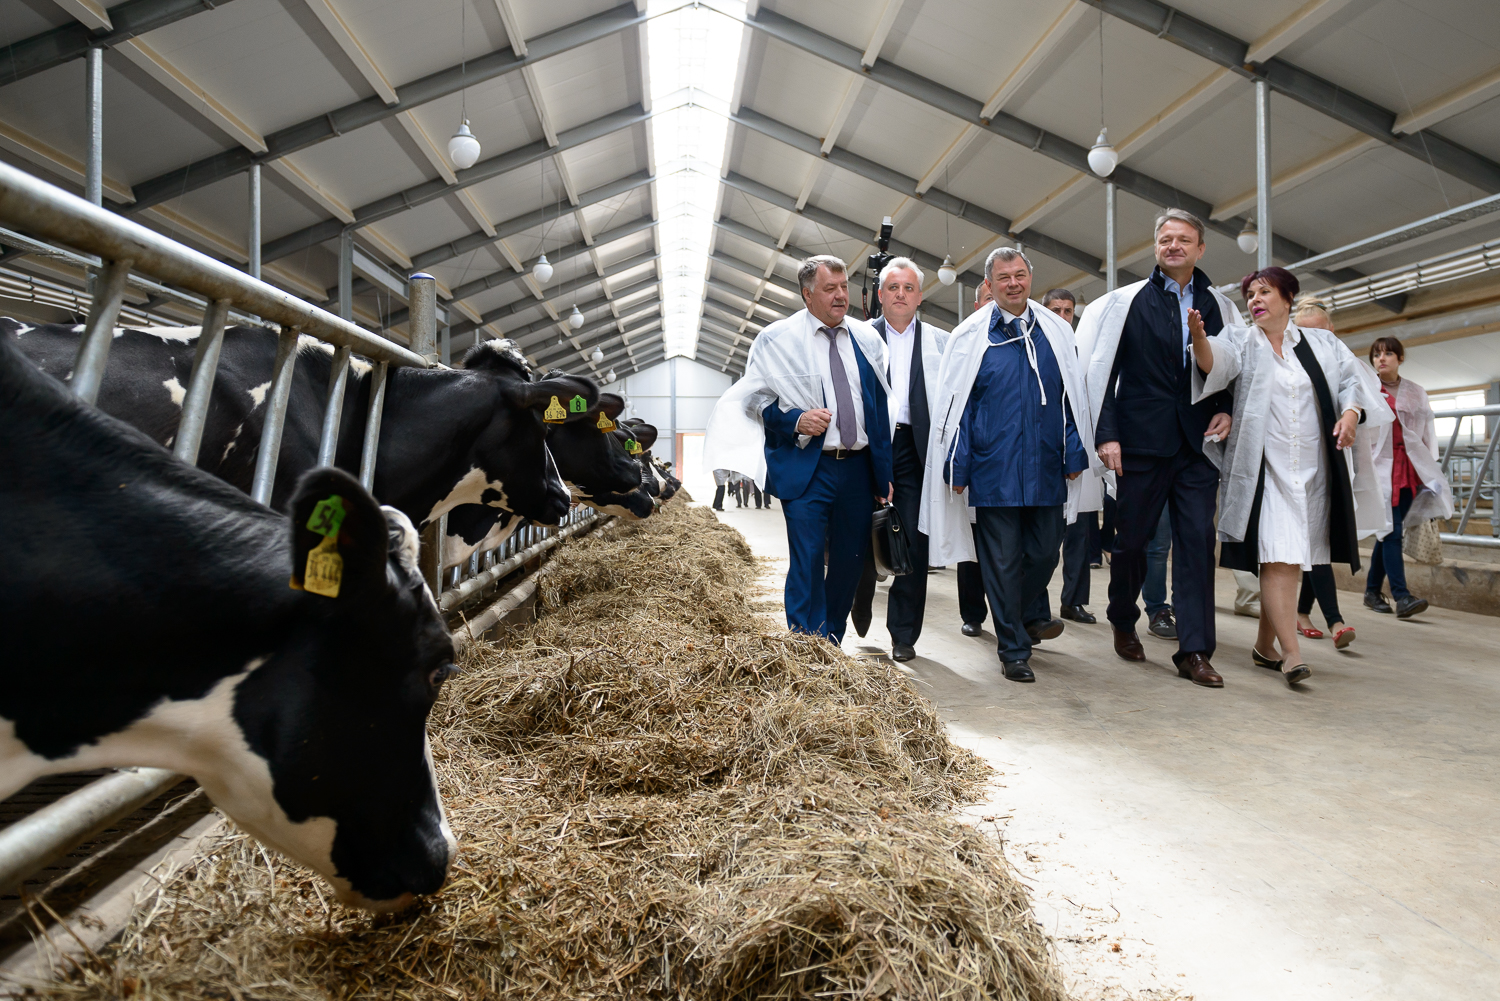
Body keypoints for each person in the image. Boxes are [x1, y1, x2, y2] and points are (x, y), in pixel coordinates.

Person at [1190, 267, 1389, 686]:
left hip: (1313, 469)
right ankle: (1291, 654)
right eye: (1250, 294)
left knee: (1293, 557)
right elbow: (1216, 365)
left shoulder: (1321, 342)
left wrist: (1351, 413)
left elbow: (1356, 382)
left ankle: (1265, 645)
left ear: (1287, 297)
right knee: (1278, 558)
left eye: (1265, 291)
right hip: (1266, 469)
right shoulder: (1243, 342)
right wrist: (1200, 339)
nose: (1255, 299)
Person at [1078, 209, 1242, 688]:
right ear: (1155, 247)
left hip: (1196, 445)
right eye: (1166, 239)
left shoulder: (1219, 305)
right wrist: (1106, 434)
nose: (1174, 246)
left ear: (1201, 248)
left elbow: (1233, 366)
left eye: (1184, 239)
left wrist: (1228, 408)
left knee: (1196, 544)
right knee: (1131, 541)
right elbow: (1104, 373)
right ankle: (1123, 617)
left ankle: (1194, 650)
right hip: (1140, 442)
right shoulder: (1127, 303)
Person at [919, 248, 1097, 683]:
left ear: (1030, 278)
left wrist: (1075, 452)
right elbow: (955, 408)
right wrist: (957, 467)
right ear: (990, 285)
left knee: (1044, 551)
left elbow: (1070, 399)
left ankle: (1015, 616)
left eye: (1020, 275)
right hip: (992, 469)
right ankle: (1013, 649)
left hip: (1046, 466)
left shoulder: (1054, 330)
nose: (1013, 283)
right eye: (1004, 278)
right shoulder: (971, 336)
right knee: (999, 562)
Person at [702, 255, 893, 642]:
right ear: (808, 295)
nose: (841, 296)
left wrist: (883, 475)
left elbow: (879, 409)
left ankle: (831, 640)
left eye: (843, 287)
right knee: (806, 560)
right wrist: (795, 421)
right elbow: (752, 401)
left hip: (857, 470)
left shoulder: (868, 339)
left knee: (850, 561)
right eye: (830, 289)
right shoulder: (777, 340)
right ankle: (805, 643)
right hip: (809, 467)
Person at [866, 257, 949, 662]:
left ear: (920, 297)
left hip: (916, 449)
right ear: (880, 295)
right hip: (869, 446)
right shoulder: (859, 336)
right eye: (893, 287)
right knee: (859, 535)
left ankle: (903, 635)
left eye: (909, 288)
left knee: (914, 542)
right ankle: (858, 602)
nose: (901, 294)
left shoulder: (939, 342)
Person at [1027, 287, 1101, 625]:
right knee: (1043, 542)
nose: (1062, 315)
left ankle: (1074, 601)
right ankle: (1035, 609)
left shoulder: (1082, 349)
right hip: (1044, 456)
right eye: (1055, 309)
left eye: (1068, 310)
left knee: (1080, 533)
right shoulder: (1036, 345)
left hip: (1079, 450)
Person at [1364, 333, 1452, 617]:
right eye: (1377, 354)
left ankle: (1371, 591)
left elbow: (1428, 429)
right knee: (1390, 530)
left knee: (1389, 531)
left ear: (1399, 358)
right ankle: (1401, 596)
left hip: (1409, 468)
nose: (1381, 358)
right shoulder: (1367, 389)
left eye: (1388, 353)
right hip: (1380, 468)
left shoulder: (1416, 391)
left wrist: (1430, 468)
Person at [1290, 297, 1356, 648]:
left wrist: (1352, 413)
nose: (1313, 339)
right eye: (1304, 332)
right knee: (1313, 543)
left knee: (1317, 541)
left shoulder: (1339, 356)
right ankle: (1335, 619)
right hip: (1293, 461)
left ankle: (1302, 613)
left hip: (1329, 459)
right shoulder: (1285, 355)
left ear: (1331, 330)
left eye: (1319, 332)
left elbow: (1355, 390)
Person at [957, 280, 994, 637]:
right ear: (976, 304)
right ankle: (972, 613)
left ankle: (1021, 614)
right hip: (974, 458)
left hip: (1007, 463)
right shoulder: (964, 342)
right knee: (971, 546)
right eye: (988, 299)